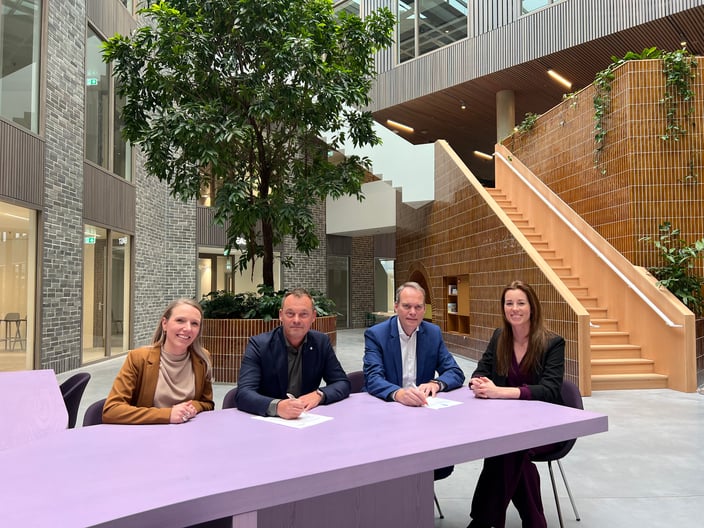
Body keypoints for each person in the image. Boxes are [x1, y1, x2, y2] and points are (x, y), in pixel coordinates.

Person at [466, 280, 565, 528]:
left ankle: (482, 522)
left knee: (509, 448)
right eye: (509, 303)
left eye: (521, 303)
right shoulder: (499, 337)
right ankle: (533, 523)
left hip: (546, 426)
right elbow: (481, 370)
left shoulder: (552, 343)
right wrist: (478, 382)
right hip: (506, 424)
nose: (514, 309)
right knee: (511, 449)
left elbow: (550, 390)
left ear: (532, 307)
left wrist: (500, 392)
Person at [235, 288, 350, 419]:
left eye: (303, 314)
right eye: (290, 314)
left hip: (306, 419)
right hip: (267, 421)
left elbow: (342, 382)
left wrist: (319, 395)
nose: (296, 320)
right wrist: (277, 407)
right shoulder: (259, 345)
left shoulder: (321, 342)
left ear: (313, 316)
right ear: (281, 315)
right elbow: (243, 394)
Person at [103, 298, 214, 424]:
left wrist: (193, 406)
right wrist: (168, 415)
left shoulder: (202, 358)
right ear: (164, 324)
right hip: (148, 433)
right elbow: (112, 410)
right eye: (180, 320)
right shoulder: (138, 358)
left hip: (187, 432)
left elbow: (207, 404)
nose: (188, 328)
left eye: (194, 323)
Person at [364, 281, 465, 405]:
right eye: (407, 306)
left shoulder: (433, 333)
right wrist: (398, 394)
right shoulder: (377, 335)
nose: (413, 312)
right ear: (396, 307)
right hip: (387, 404)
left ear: (424, 309)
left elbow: (455, 372)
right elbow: (373, 378)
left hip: (422, 405)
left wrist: (436, 384)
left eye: (418, 307)